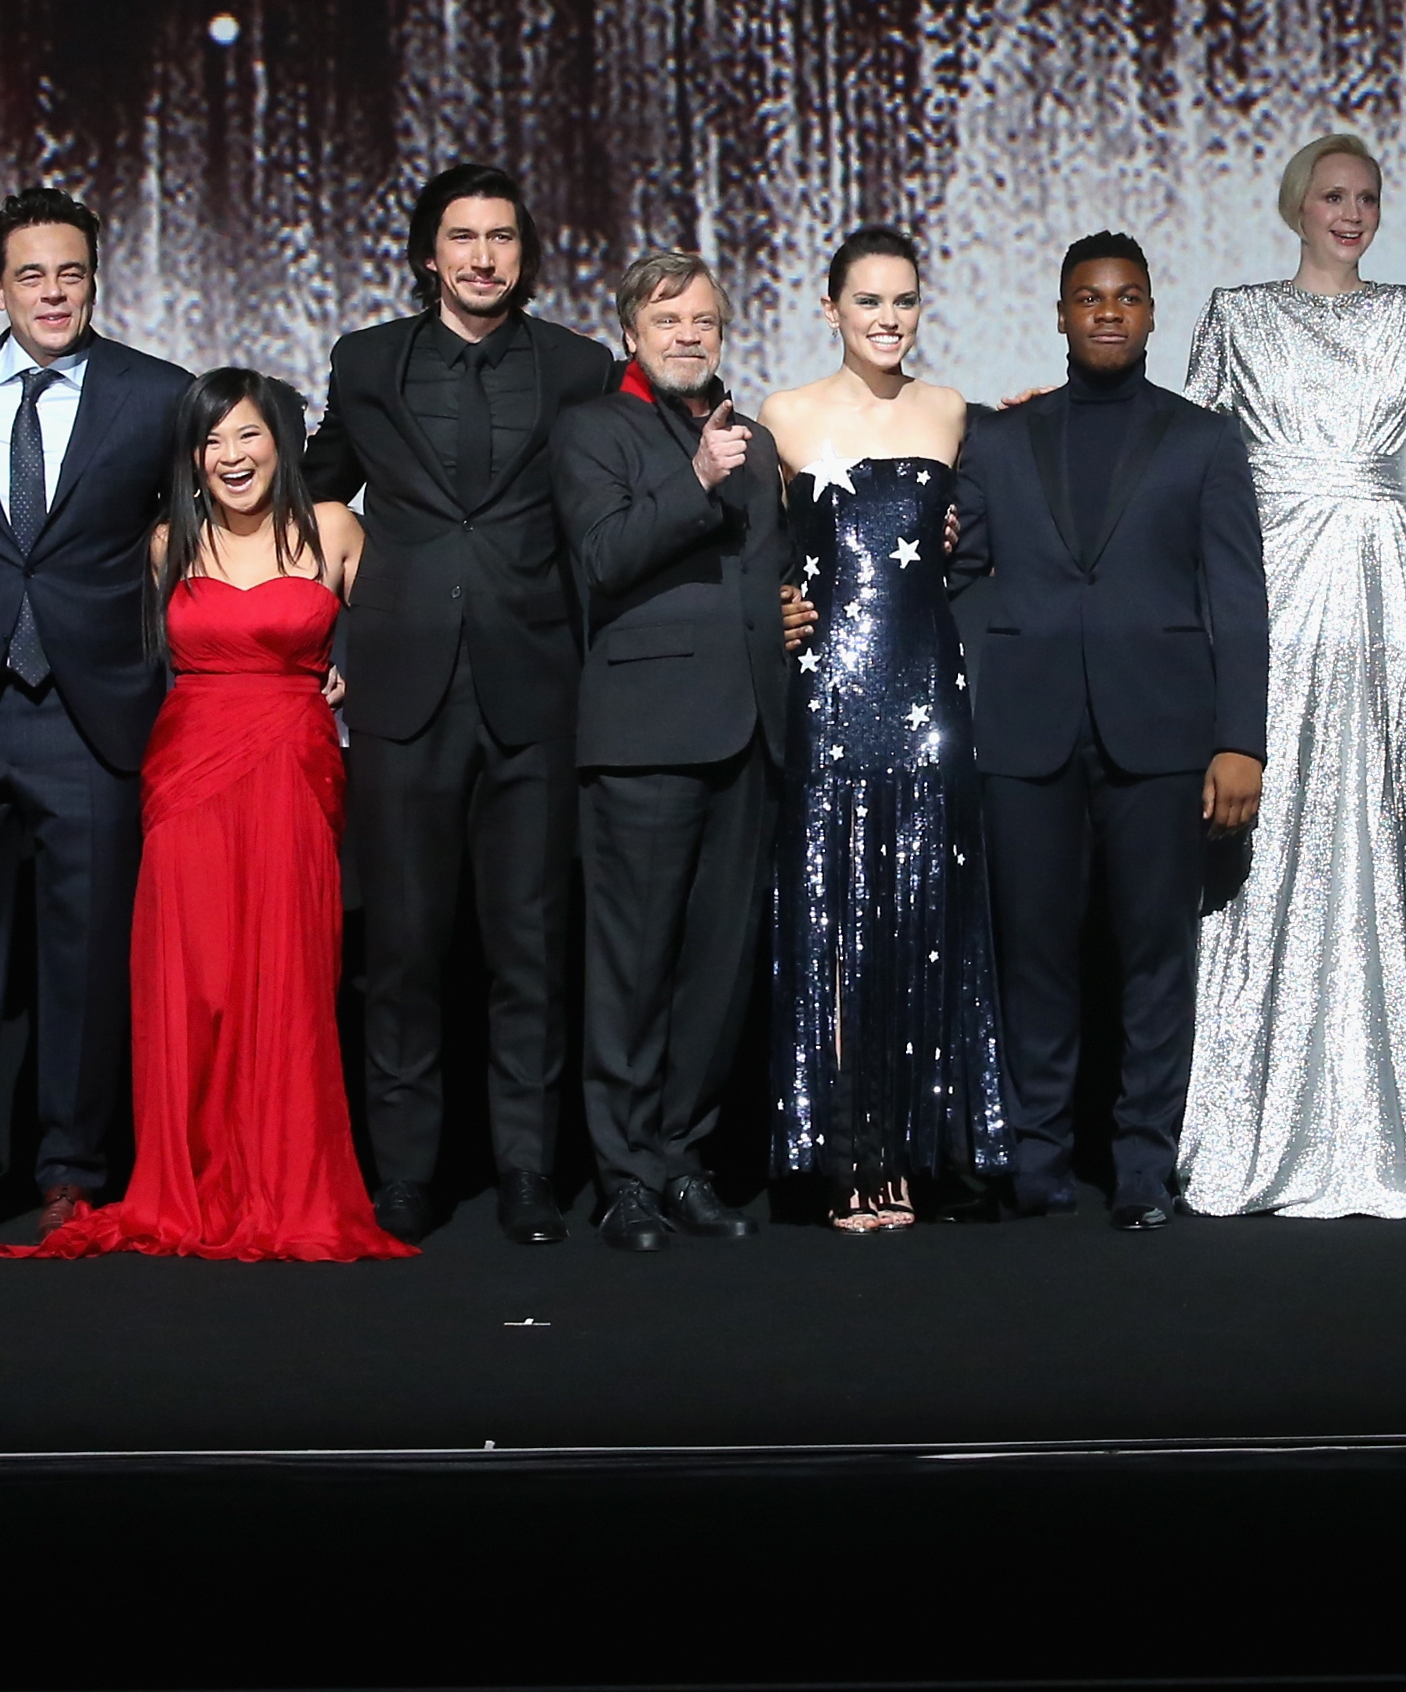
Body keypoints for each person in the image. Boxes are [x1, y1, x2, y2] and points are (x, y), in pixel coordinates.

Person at [14, 372, 411, 1263]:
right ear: (192, 457)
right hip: (189, 775)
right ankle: (190, 1183)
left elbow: (402, 641)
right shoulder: (167, 541)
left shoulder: (336, 528)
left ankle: (285, 1181)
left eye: (247, 435)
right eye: (210, 440)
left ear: (283, 441)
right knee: (194, 983)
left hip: (292, 772)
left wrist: (347, 673)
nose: (230, 456)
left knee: (289, 978)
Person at [300, 165, 621, 1245]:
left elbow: (641, 471)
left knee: (530, 949)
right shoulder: (365, 361)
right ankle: (404, 1174)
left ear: (524, 254)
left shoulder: (579, 366)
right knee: (402, 950)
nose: (482, 256)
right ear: (428, 254)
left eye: (500, 237)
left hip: (536, 686)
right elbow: (309, 494)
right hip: (403, 689)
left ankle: (527, 1169)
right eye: (462, 237)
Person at [1171, 138, 1406, 1220]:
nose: (1349, 213)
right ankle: (1235, 1115)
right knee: (1260, 843)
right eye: (1331, 195)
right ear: (1295, 206)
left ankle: (1371, 1113)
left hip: (1378, 605)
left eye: (1365, 197)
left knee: (1371, 843)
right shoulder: (1236, 313)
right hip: (1267, 594)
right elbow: (1190, 464)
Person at [0, 185, 190, 1245]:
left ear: (94, 278)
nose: (53, 292)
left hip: (92, 712)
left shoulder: (157, 393)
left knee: (87, 958)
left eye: (71, 272)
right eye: (31, 274)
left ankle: (70, 1167)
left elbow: (200, 530)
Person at [953, 233, 1270, 1231]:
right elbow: (953, 574)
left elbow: (1238, 597)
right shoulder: (1000, 437)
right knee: (1031, 955)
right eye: (1087, 297)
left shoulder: (1203, 439)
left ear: (1149, 313)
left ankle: (1142, 1166)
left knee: (1153, 957)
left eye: (1125, 296)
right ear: (1059, 313)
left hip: (1162, 730)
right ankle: (1035, 1158)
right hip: (1025, 730)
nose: (1105, 311)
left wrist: (1240, 738)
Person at [553, 252, 814, 1252]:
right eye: (667, 320)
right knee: (632, 968)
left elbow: (761, 568)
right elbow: (603, 557)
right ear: (630, 333)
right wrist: (695, 478)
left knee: (716, 969)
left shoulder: (753, 439)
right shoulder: (592, 428)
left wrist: (785, 610)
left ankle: (682, 1158)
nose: (687, 334)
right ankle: (623, 1177)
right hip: (645, 736)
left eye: (703, 319)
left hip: (749, 731)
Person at [753, 224, 1008, 1227]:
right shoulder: (782, 413)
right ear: (830, 308)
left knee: (921, 911)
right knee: (834, 914)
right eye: (867, 300)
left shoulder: (950, 411)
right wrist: (774, 605)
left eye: (903, 299)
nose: (887, 318)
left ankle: (912, 1148)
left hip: (927, 691)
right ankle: (846, 1152)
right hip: (827, 694)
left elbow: (973, 533)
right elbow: (755, 552)